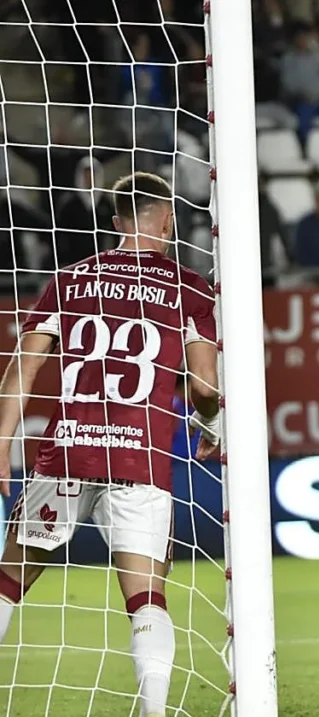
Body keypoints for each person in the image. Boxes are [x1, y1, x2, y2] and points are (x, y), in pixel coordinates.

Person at [0, 171, 221, 717]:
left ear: (116, 221)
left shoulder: (70, 278)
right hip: (138, 457)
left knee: (7, 582)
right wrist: (210, 421)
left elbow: (24, 367)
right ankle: (154, 711)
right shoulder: (190, 288)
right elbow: (204, 387)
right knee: (146, 598)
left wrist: (2, 441)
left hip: (66, 453)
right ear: (169, 220)